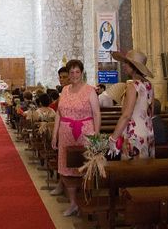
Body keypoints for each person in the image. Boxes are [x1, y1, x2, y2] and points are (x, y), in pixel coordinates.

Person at [51, 59, 101, 217]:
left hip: (85, 133)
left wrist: (97, 135)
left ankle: (85, 201)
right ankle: (73, 203)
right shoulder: (64, 90)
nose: (74, 75)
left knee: (85, 169)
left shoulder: (89, 91)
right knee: (67, 171)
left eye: (77, 72)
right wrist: (54, 134)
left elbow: (96, 113)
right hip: (66, 134)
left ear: (82, 73)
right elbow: (59, 113)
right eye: (71, 72)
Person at [108, 50, 155, 159]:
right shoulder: (149, 85)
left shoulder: (132, 86)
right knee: (146, 171)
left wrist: (113, 138)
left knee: (131, 172)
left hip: (134, 136)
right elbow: (151, 112)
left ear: (134, 67)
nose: (124, 65)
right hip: (148, 132)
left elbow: (126, 115)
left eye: (127, 63)